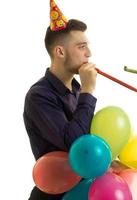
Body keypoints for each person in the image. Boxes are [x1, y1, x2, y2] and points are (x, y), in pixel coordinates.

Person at [23, 1, 97, 199]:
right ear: (60, 52)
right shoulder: (39, 96)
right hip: (53, 195)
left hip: (81, 192)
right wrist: (89, 91)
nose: (89, 54)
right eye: (81, 47)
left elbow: (89, 139)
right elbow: (75, 144)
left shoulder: (76, 89)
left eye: (87, 46)